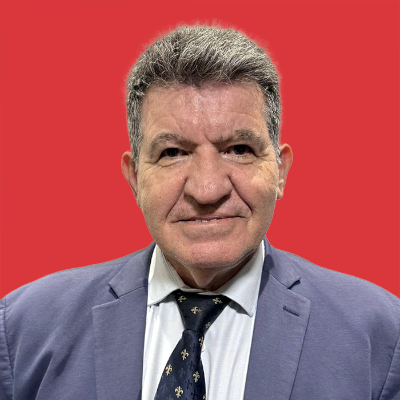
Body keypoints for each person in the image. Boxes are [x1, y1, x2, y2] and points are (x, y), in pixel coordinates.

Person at [0, 25, 399, 400]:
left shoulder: (381, 335)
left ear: (280, 171)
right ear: (135, 177)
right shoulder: (22, 329)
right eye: (173, 153)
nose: (207, 189)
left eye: (239, 150)